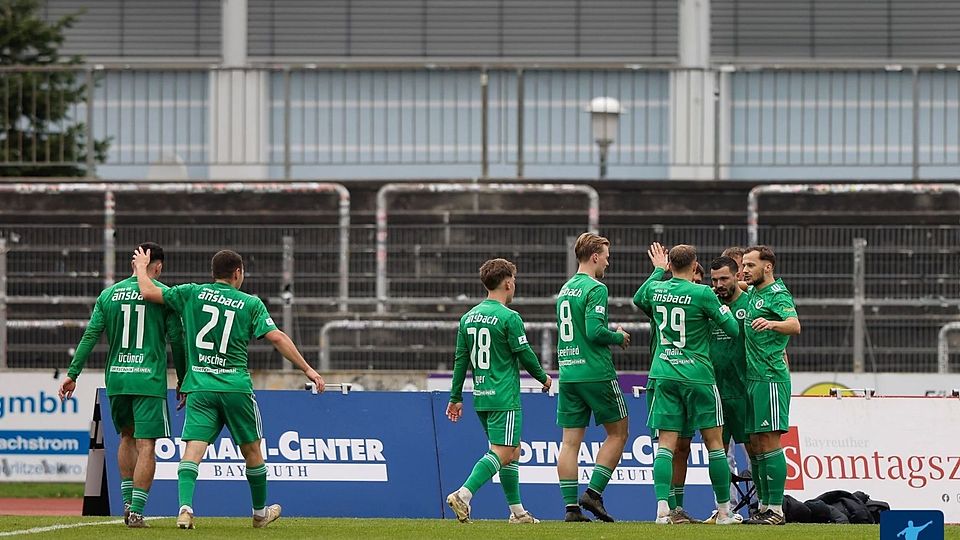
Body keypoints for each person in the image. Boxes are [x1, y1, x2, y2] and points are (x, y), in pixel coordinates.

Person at [132, 247, 325, 529]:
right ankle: (260, 514)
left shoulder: (191, 293)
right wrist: (307, 369)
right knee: (253, 451)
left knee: (192, 452)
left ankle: (185, 508)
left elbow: (148, 292)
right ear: (237, 273)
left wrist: (141, 266)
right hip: (235, 388)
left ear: (214, 273)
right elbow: (277, 337)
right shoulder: (250, 303)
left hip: (200, 387)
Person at [59, 242, 185, 528]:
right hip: (148, 380)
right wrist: (183, 377)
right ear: (160, 266)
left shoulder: (109, 294)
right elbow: (177, 340)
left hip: (117, 378)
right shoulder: (164, 296)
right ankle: (137, 511)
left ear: (134, 264)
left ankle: (127, 503)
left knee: (126, 438)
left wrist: (72, 373)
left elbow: (91, 335)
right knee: (147, 444)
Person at [635, 244, 741, 525]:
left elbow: (638, 297)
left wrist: (657, 270)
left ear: (670, 265)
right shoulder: (703, 293)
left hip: (665, 374)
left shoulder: (657, 290)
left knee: (666, 446)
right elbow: (732, 329)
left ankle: (662, 510)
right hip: (698, 376)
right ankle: (723, 512)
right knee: (715, 444)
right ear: (695, 266)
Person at [445, 258, 551, 524]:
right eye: (513, 280)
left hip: (481, 396)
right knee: (503, 452)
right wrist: (543, 378)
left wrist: (456, 397)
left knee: (510, 451)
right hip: (504, 396)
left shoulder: (467, 318)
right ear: (508, 282)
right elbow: (524, 353)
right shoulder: (509, 317)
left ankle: (517, 513)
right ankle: (464, 494)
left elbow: (461, 360)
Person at [555, 232, 631, 522]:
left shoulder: (565, 288)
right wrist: (619, 335)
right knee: (619, 432)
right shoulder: (595, 287)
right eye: (607, 257)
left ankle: (571, 509)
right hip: (595, 371)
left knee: (570, 442)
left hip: (569, 371)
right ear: (595, 256)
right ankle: (593, 493)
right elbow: (594, 332)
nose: (608, 264)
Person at [634, 242, 696, 524]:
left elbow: (639, 296)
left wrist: (659, 270)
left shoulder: (700, 299)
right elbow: (640, 298)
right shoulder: (660, 299)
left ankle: (676, 507)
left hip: (684, 380)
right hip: (667, 378)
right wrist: (659, 273)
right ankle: (668, 507)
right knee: (668, 445)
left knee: (681, 448)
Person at [740, 245, 801, 526]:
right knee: (756, 443)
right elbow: (736, 282)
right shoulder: (754, 292)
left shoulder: (777, 294)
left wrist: (772, 324)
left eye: (750, 265)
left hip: (771, 378)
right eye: (743, 265)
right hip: (752, 379)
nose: (745, 270)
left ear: (768, 267)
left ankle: (776, 510)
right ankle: (763, 506)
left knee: (771, 441)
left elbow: (794, 324)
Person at [702, 255, 753, 524]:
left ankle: (762, 507)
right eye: (714, 280)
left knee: (754, 452)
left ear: (736, 277)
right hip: (715, 391)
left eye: (724, 278)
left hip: (744, 390)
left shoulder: (749, 303)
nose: (719, 284)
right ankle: (724, 508)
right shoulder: (708, 303)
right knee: (719, 453)